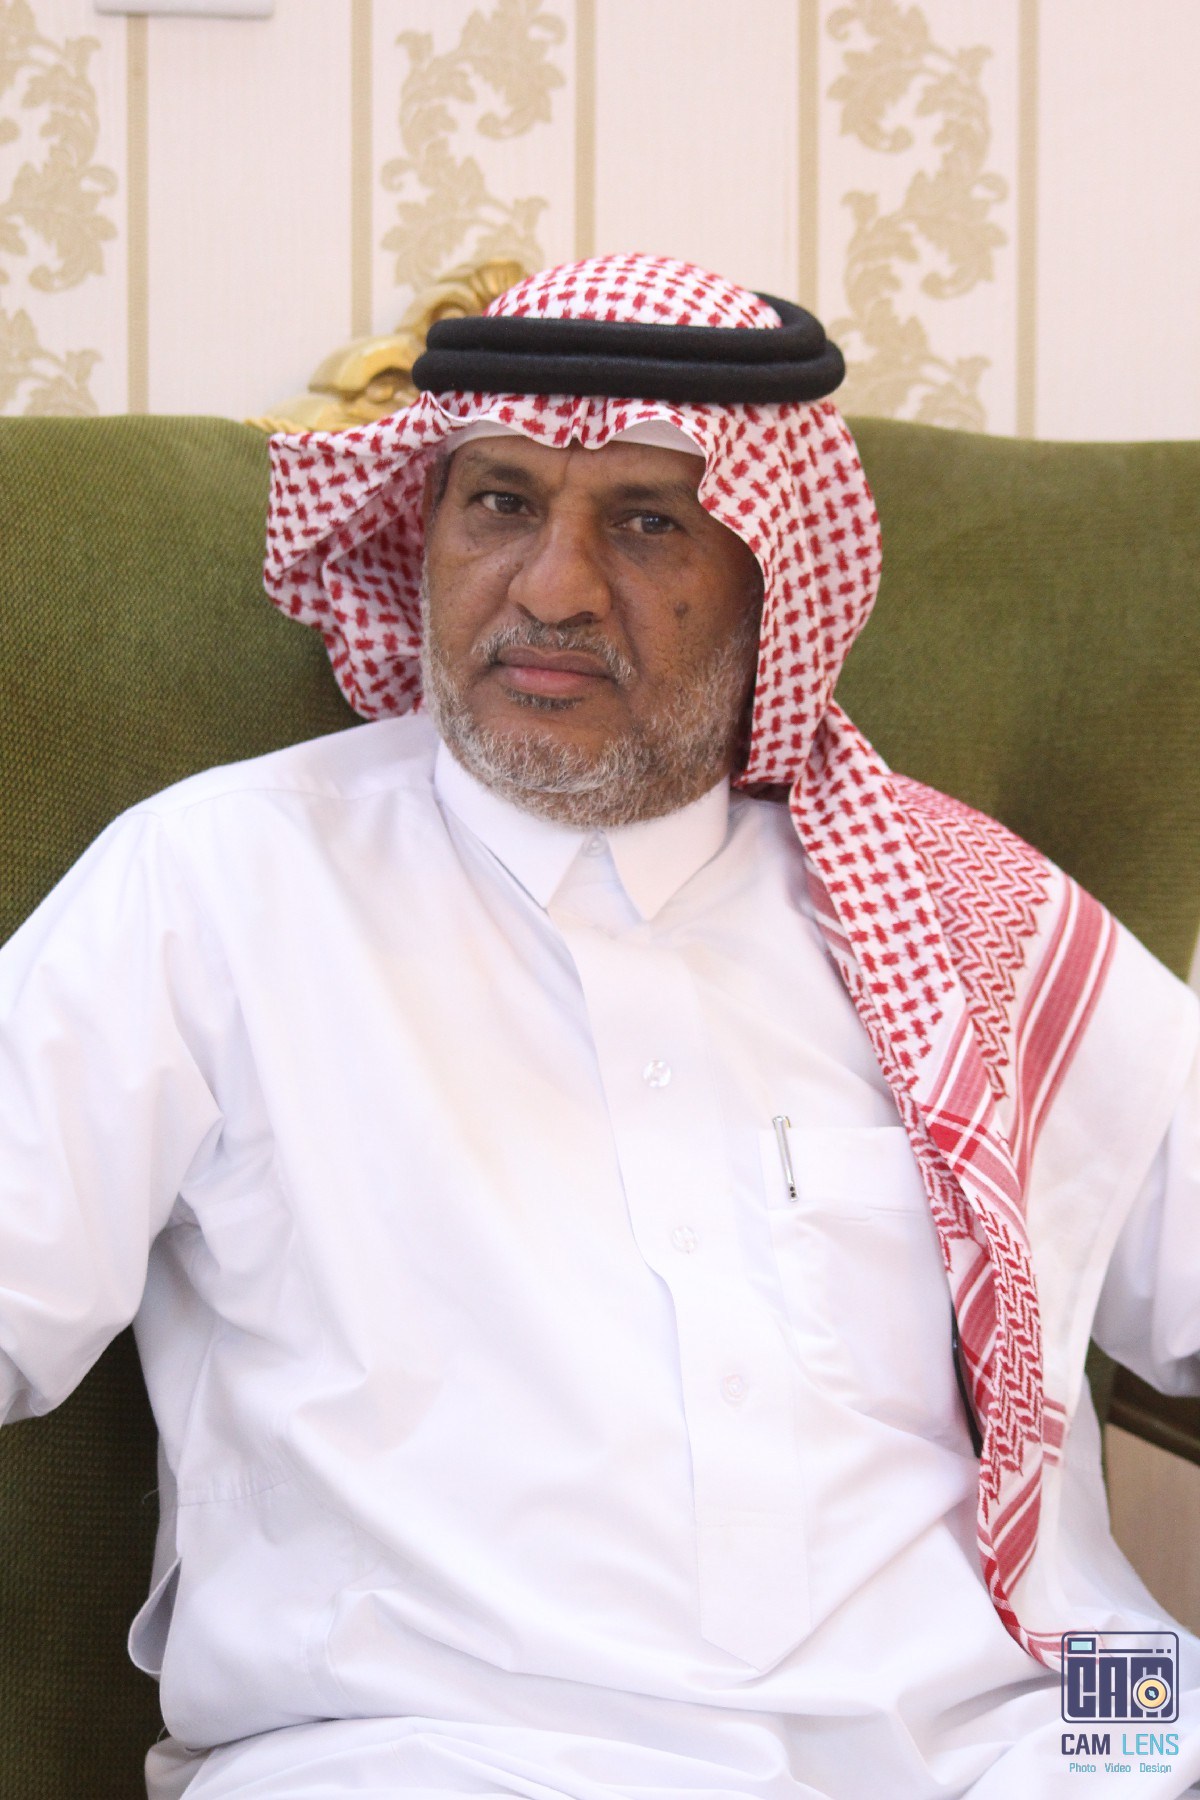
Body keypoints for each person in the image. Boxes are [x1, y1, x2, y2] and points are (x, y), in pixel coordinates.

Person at [1, 254, 1197, 1799]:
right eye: (501, 502)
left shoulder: (961, 911)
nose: (554, 587)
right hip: (433, 1758)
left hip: (1019, 1745)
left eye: (644, 522)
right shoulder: (217, 884)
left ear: (772, 576)